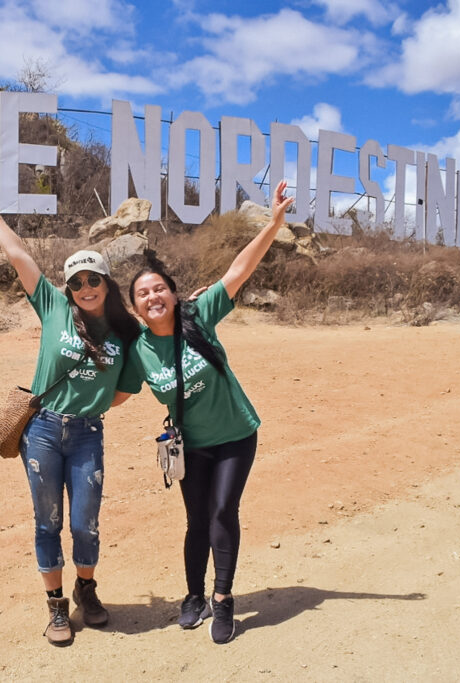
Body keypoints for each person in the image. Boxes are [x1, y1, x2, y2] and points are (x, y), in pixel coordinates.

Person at [114, 180, 294, 644]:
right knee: (196, 521)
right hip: (192, 445)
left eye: (159, 289)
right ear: (135, 308)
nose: (153, 297)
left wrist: (273, 223)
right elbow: (116, 396)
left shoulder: (199, 315)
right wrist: (66, 409)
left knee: (221, 512)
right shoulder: (139, 352)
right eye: (143, 294)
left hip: (236, 435)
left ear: (173, 295)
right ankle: (193, 595)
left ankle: (224, 598)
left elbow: (240, 268)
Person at [0, 176, 140, 646]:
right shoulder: (53, 306)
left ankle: (87, 590)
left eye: (93, 279)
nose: (85, 287)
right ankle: (56, 607)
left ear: (106, 282)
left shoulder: (125, 333)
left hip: (86, 434)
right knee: (48, 522)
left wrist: (90, 405)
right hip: (41, 432)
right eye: (77, 280)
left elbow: (123, 391)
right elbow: (19, 257)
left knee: (86, 521)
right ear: (68, 286)